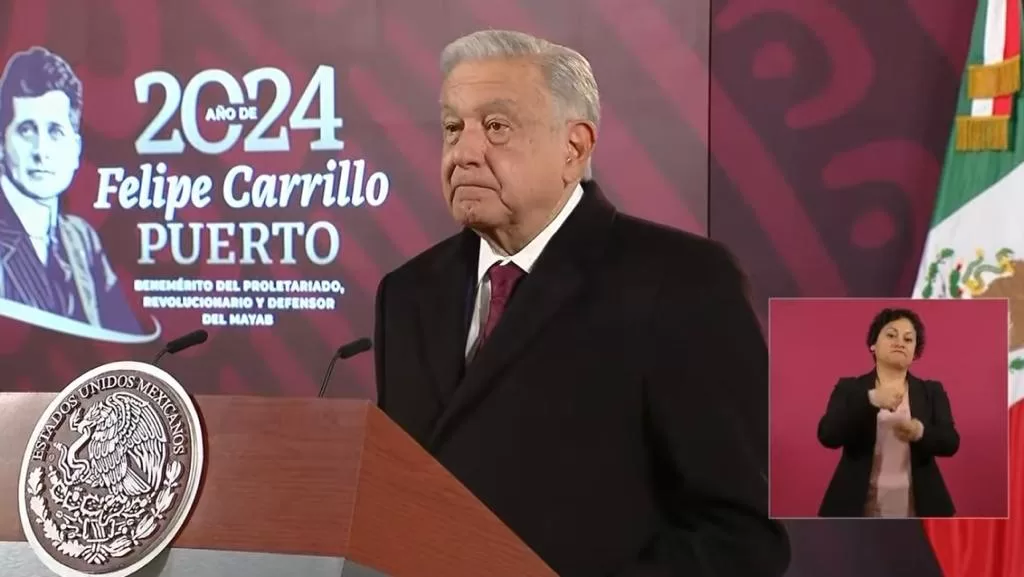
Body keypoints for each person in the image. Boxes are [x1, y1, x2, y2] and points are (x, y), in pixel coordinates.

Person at [373, 29, 789, 576]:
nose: (464, 153)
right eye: (453, 127)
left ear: (574, 147)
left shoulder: (682, 282)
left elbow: (740, 536)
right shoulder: (406, 293)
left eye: (496, 127)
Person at [0, 46, 141, 335]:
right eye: (26, 130)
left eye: (55, 131)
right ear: (2, 144)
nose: (41, 151)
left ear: (75, 150)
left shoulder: (81, 239)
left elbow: (124, 339)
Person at [817, 307, 960, 517]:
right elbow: (828, 435)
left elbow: (951, 442)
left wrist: (919, 431)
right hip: (856, 507)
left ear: (915, 352)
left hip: (918, 507)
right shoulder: (849, 388)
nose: (900, 342)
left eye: (908, 339)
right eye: (891, 335)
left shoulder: (932, 391)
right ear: (873, 345)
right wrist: (871, 400)